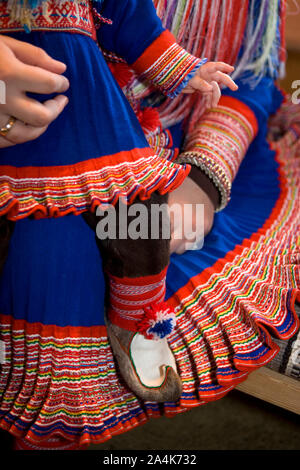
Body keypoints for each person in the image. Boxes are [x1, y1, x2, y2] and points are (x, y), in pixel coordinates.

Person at [0, 0, 299, 451]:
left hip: (147, 139)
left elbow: (248, 76)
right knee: (46, 256)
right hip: (31, 128)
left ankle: (139, 317)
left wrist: (204, 175)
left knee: (128, 228)